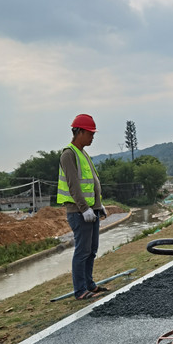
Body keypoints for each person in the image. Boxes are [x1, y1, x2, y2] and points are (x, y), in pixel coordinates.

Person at [57, 114, 108, 301]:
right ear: (79, 132)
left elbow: (92, 182)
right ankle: (80, 290)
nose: (92, 137)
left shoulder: (83, 153)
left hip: (90, 210)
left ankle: (89, 284)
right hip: (79, 212)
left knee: (92, 250)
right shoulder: (68, 154)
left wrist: (98, 205)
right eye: (90, 133)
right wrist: (85, 208)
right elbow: (74, 185)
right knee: (82, 251)